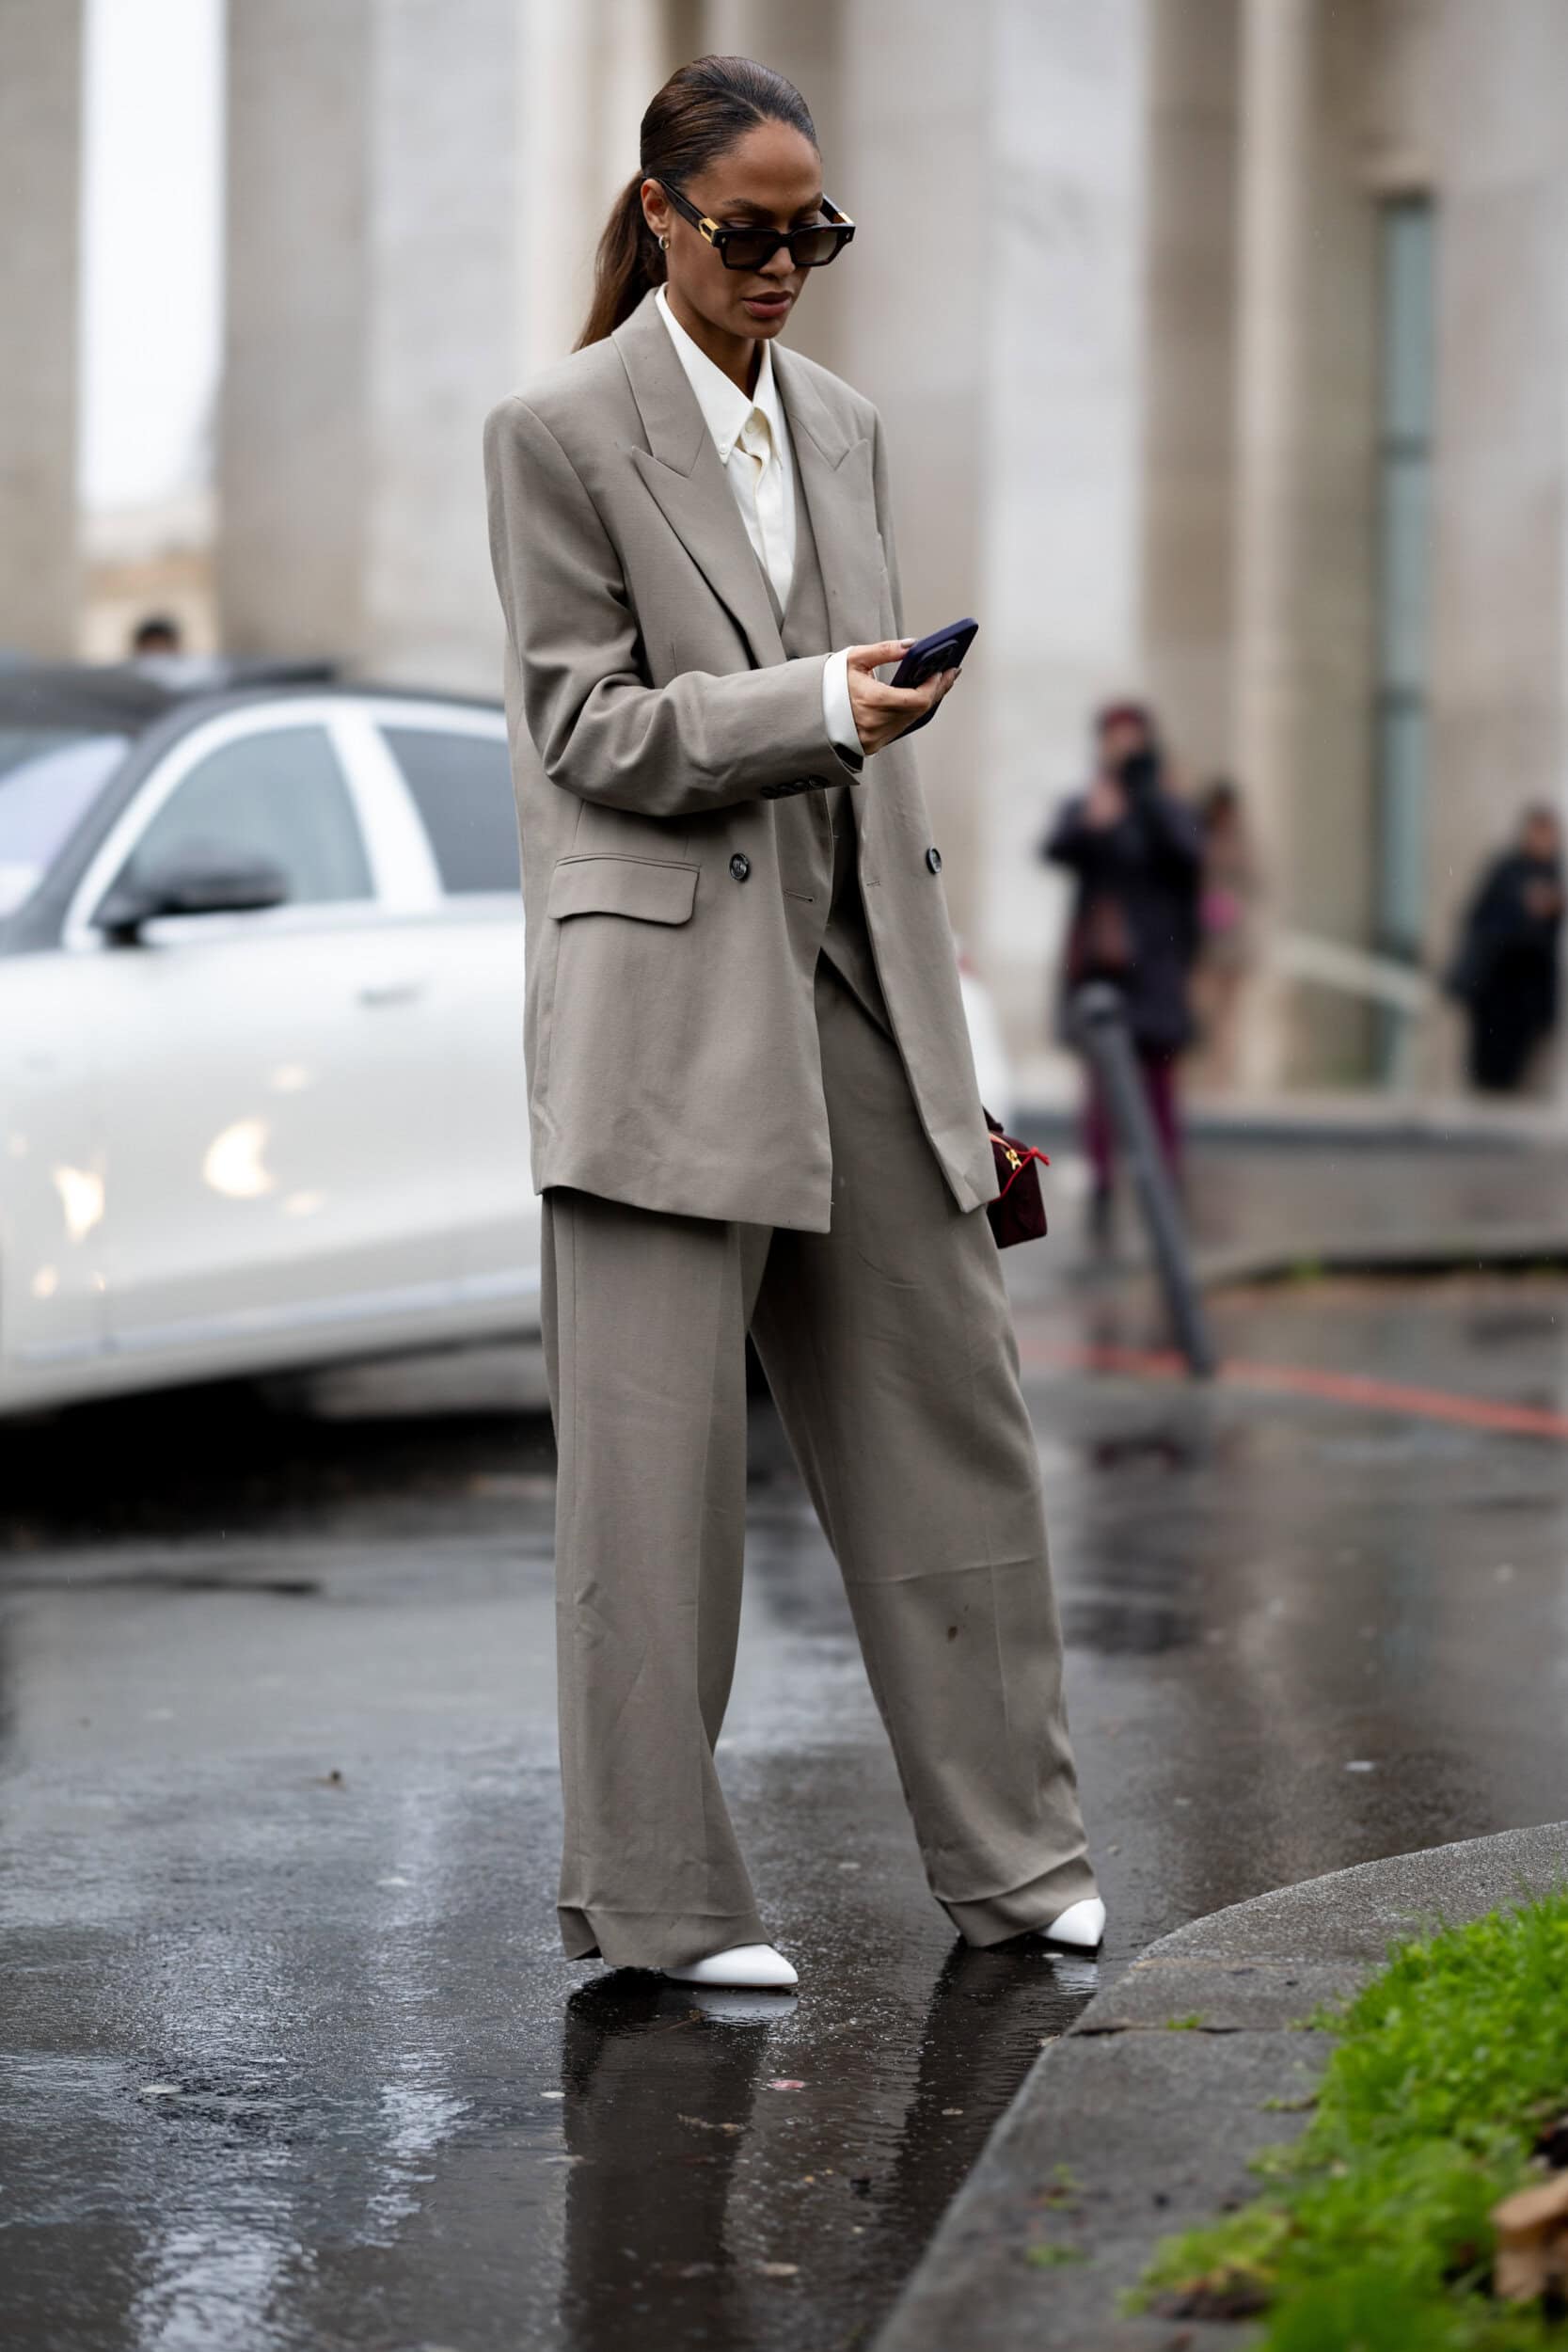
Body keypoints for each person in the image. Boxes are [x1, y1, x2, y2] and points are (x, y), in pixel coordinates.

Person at [483, 55, 1101, 1991]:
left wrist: (952, 1069)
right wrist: (814, 706)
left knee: (952, 1433)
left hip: (859, 986)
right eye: (749, 231)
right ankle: (658, 1908)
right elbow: (585, 732)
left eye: (810, 232)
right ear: (660, 214)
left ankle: (1019, 1862)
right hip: (661, 1013)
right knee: (649, 1495)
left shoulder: (840, 424)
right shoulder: (556, 430)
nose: (783, 264)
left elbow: (884, 784)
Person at [1043, 703, 1202, 1233]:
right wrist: (1094, 823)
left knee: (1157, 1081)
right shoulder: (1094, 800)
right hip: (1102, 966)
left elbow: (1189, 856)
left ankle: (1165, 1187)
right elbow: (1055, 849)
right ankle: (1104, 1187)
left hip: (1155, 962)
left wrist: (1148, 798)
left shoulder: (1166, 803)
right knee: (1103, 1082)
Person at [1446, 806, 1564, 1092]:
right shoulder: (1507, 870)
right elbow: (1481, 919)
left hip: (1532, 998)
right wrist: (1524, 909)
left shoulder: (1555, 873)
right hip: (1496, 991)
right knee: (1489, 1073)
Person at [1190, 776, 1259, 1092]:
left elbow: (1256, 881)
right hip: (1203, 942)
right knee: (1201, 1010)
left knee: (1227, 1014)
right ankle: (1203, 1074)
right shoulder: (1198, 837)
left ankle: (1222, 1076)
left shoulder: (1241, 841)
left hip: (1231, 942)